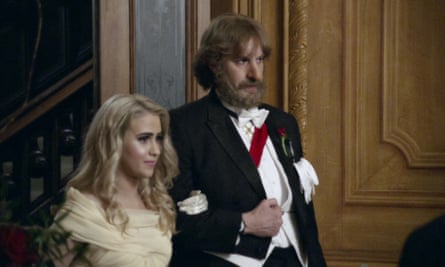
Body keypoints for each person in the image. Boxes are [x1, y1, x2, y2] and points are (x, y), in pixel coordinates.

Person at [168, 13, 326, 267]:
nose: (255, 73)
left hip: (297, 259)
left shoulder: (283, 123)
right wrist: (244, 222)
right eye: (242, 61)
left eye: (259, 59)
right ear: (214, 64)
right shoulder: (185, 125)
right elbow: (177, 218)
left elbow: (304, 211)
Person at [50, 94, 179, 266]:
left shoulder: (155, 202)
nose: (155, 150)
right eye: (143, 139)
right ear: (113, 141)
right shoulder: (84, 211)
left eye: (158, 138)